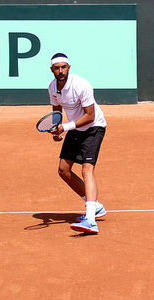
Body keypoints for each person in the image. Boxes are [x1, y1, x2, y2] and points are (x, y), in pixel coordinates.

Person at [47, 53, 107, 234]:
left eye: (63, 67)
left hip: (94, 127)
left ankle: (90, 219)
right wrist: (57, 129)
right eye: (57, 68)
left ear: (69, 68)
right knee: (63, 170)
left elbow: (90, 116)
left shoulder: (81, 85)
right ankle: (95, 206)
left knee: (87, 168)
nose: (60, 71)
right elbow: (57, 111)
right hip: (74, 129)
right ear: (52, 70)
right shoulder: (52, 87)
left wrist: (65, 127)